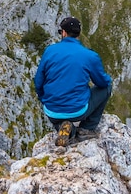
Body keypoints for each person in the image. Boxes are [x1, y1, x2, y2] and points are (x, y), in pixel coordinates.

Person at [34, 16, 112, 147]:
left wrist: (45, 100)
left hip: (52, 111)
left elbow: (38, 82)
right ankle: (86, 129)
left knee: (57, 116)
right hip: (78, 111)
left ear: (63, 32)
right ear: (79, 33)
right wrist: (108, 78)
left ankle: (64, 128)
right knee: (107, 87)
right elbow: (102, 83)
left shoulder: (50, 51)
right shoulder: (90, 55)